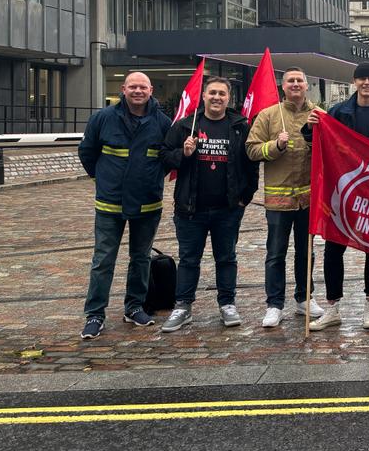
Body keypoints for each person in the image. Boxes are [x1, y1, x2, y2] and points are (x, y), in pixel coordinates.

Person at [308, 62, 369, 332]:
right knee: (333, 247)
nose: (367, 83)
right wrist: (311, 127)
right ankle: (333, 308)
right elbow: (316, 139)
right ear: (354, 82)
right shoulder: (338, 112)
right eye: (362, 78)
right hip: (341, 191)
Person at [159, 77, 259, 332]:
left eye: (222, 94)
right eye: (212, 93)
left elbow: (250, 165)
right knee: (189, 260)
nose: (217, 97)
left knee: (226, 258)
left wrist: (244, 197)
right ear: (203, 96)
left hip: (227, 209)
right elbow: (165, 158)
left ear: (229, 98)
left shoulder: (239, 126)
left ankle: (227, 303)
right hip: (191, 209)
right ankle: (183, 306)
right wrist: (184, 153)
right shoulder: (185, 126)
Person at [78, 72, 172, 339]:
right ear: (123, 89)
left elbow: (165, 158)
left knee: (141, 258)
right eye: (133, 86)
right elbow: (87, 152)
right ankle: (95, 314)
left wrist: (150, 179)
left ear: (151, 90)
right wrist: (102, 178)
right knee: (103, 260)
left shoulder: (162, 123)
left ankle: (134, 306)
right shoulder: (103, 118)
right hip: (110, 203)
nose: (138, 91)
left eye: (143, 86)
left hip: (147, 203)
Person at [246, 67, 325, 328]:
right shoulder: (268, 115)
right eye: (290, 80)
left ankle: (305, 297)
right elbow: (251, 149)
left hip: (308, 199)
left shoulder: (319, 116)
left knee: (306, 252)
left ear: (306, 85)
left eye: (299, 80)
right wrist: (276, 146)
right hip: (278, 201)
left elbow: (331, 149)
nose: (295, 84)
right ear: (283, 86)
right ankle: (274, 304)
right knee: (275, 253)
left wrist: (316, 135)